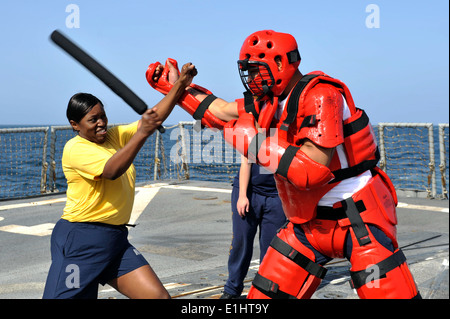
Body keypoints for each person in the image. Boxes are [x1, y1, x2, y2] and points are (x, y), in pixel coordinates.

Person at [147, 30, 421, 299]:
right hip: (307, 225)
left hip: (360, 222)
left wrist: (252, 142)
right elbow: (219, 112)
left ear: (279, 63)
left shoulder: (321, 95)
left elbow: (311, 170)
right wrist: (175, 88)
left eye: (256, 69)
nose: (251, 77)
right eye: (248, 70)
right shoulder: (270, 100)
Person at [43, 62, 197, 299]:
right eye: (92, 120)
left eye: (103, 116)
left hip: (115, 240)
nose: (101, 123)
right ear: (75, 125)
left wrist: (179, 85)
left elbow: (153, 118)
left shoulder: (113, 136)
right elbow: (112, 169)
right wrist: (143, 133)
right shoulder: (75, 148)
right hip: (81, 240)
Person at [221, 156, 286, 299]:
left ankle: (264, 291)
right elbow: (246, 161)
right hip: (249, 191)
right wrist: (243, 196)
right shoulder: (258, 134)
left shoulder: (290, 136)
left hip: (277, 195)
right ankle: (232, 289)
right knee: (241, 242)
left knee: (272, 248)